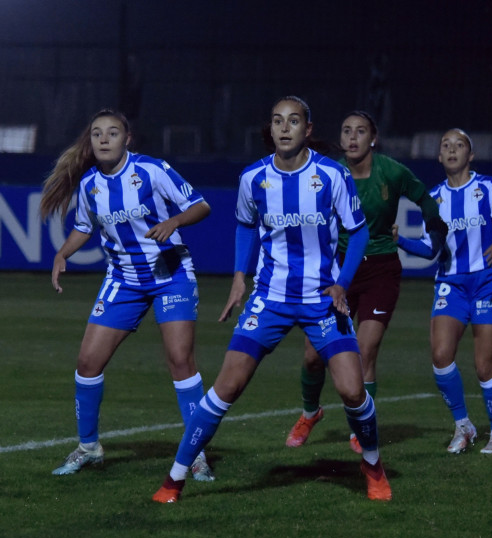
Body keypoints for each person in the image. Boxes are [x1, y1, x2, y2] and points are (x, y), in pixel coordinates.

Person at [152, 96, 391, 502]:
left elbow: (359, 232)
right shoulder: (253, 178)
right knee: (227, 386)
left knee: (352, 390)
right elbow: (246, 228)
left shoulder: (332, 175)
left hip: (321, 299)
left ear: (308, 130)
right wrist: (239, 279)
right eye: (278, 121)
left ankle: (373, 467)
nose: (284, 128)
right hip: (271, 297)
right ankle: (173, 480)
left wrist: (342, 283)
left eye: (293, 121)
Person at [39, 108, 214, 481]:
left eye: (112, 133)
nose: (104, 139)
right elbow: (84, 227)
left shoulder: (152, 171)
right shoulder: (89, 185)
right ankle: (88, 448)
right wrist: (62, 253)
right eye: (97, 133)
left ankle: (196, 455)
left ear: (127, 139)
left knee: (181, 361)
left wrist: (174, 221)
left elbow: (201, 205)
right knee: (87, 364)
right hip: (123, 280)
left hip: (170, 275)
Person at [285, 110, 447, 453]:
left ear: (373, 138)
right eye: (346, 131)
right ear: (341, 139)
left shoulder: (392, 172)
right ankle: (310, 413)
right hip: (338, 270)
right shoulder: (329, 173)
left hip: (381, 270)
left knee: (364, 350)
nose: (352, 137)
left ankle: (362, 428)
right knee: (313, 355)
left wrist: (434, 231)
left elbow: (426, 200)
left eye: (360, 131)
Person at [394, 128, 492, 454]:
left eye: (459, 145)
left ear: (470, 155)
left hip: (489, 279)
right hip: (451, 282)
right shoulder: (433, 198)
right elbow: (431, 249)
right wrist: (399, 241)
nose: (451, 150)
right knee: (440, 355)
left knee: (484, 366)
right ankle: (463, 425)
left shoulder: (489, 186)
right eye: (445, 146)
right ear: (439, 156)